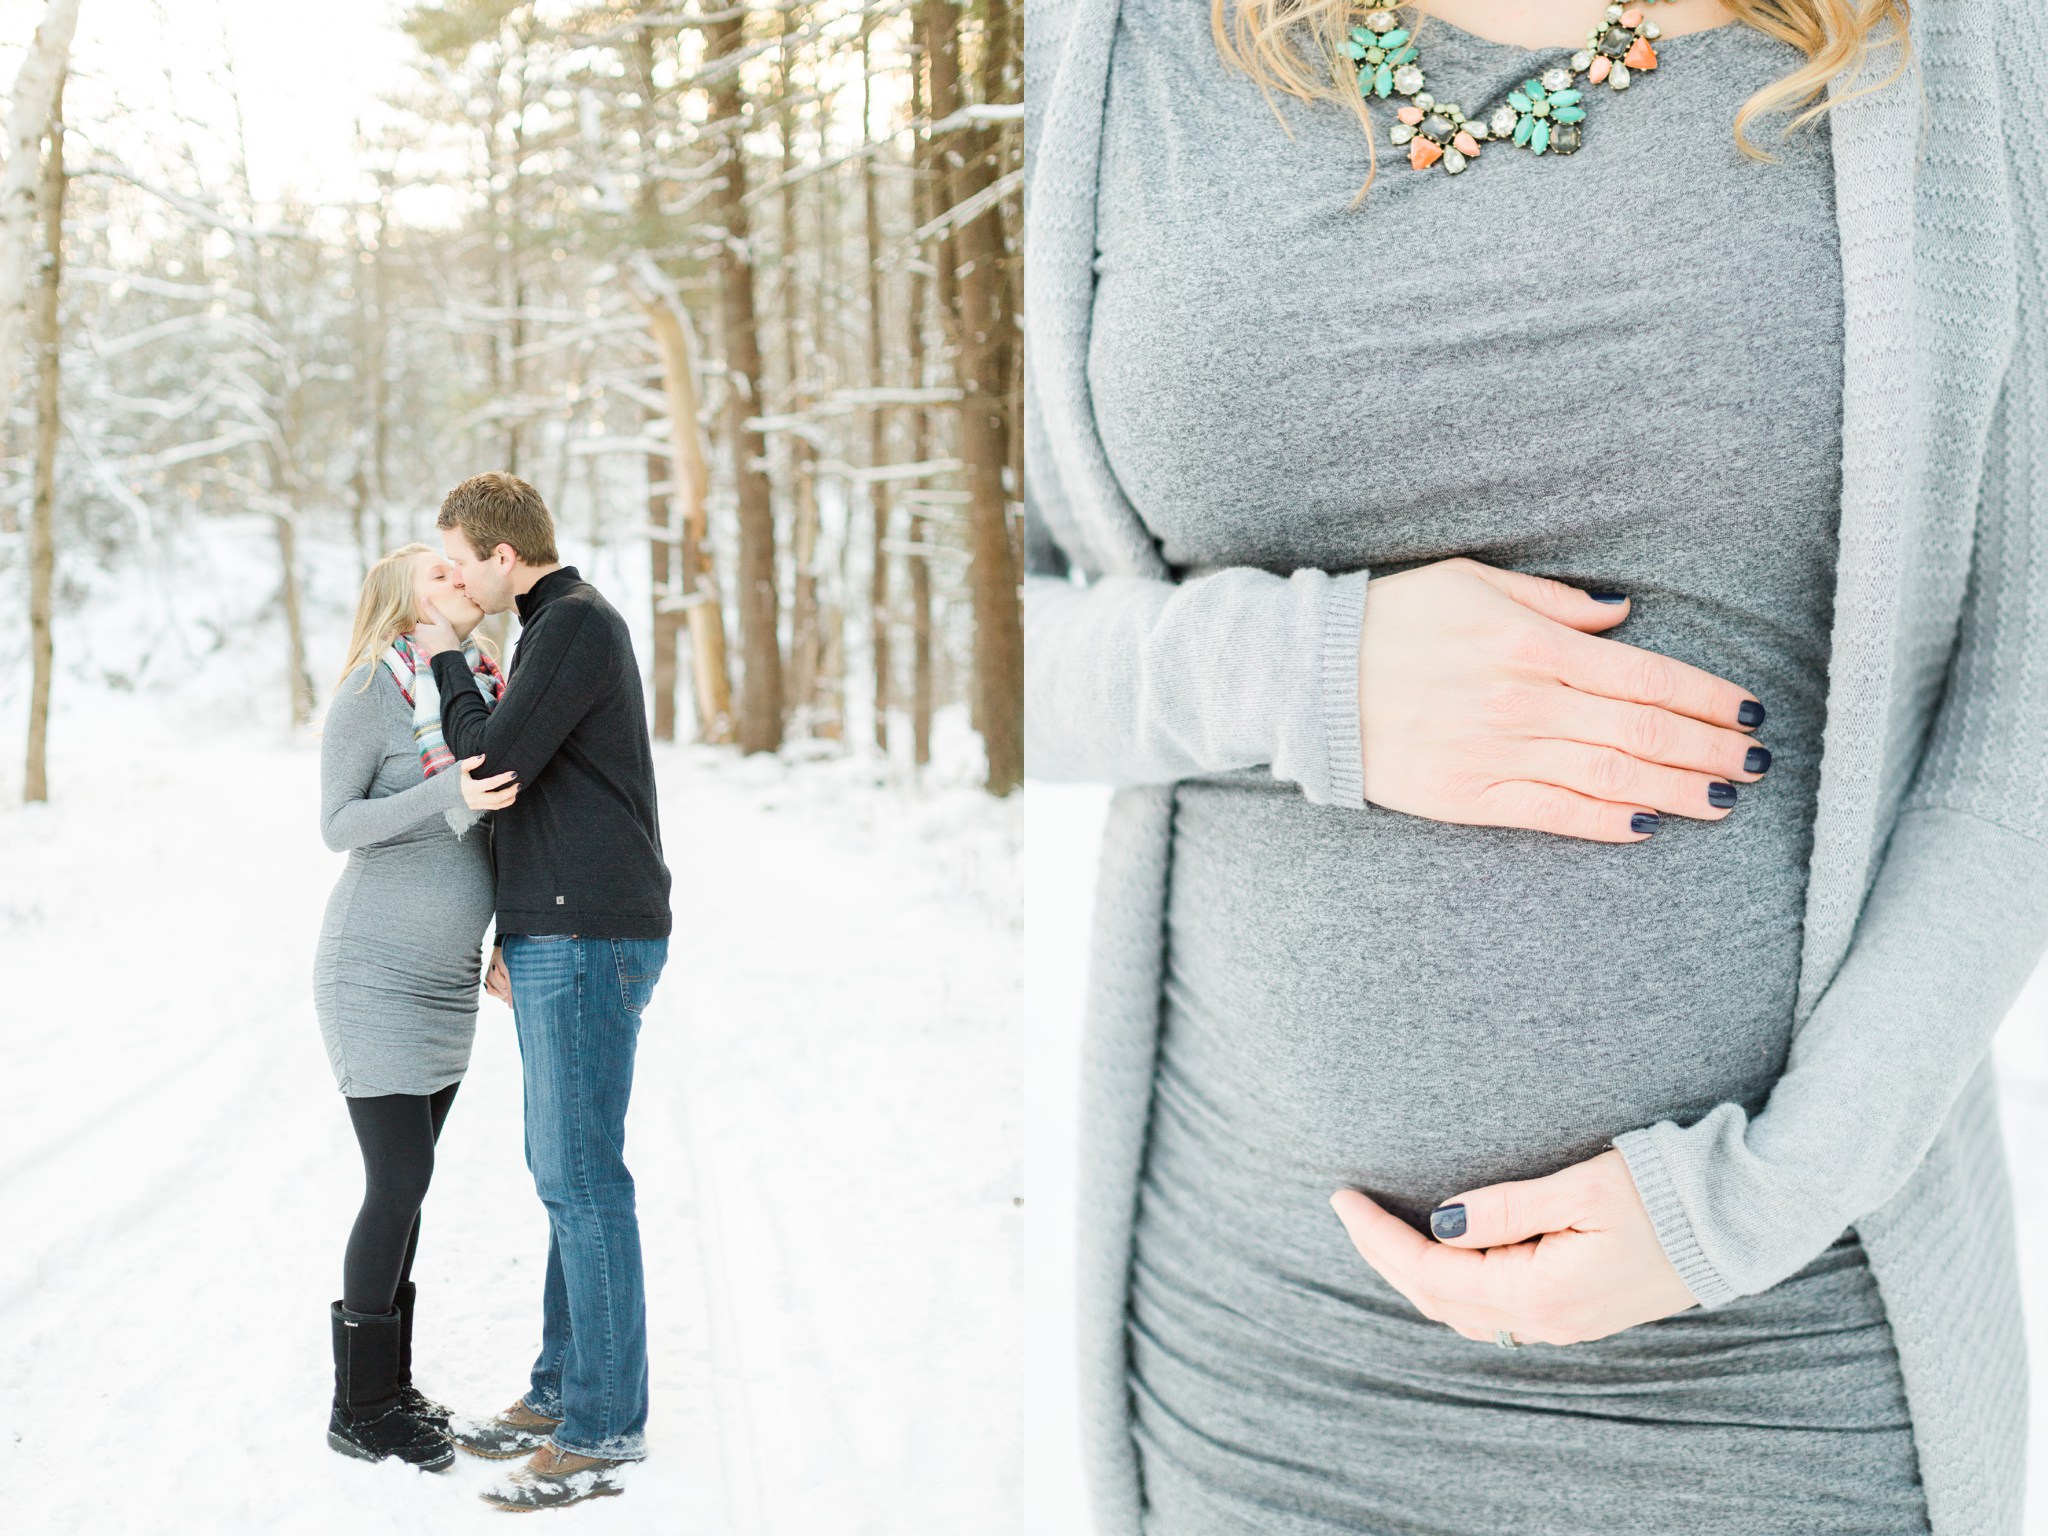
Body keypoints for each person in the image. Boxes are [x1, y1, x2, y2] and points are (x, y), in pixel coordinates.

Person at [1025, 0, 2048, 1530]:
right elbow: (999, 635)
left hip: (1776, 1371)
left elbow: (2020, 708)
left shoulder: (1963, 42)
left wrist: (1755, 1201)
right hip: (1257, 1367)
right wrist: (1307, 674)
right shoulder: (1103, 47)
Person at [412, 471, 673, 1512]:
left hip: (590, 929)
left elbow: (492, 763)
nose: (454, 580)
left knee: (582, 1179)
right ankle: (563, 1389)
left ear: (502, 558)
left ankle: (604, 1427)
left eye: (461, 563)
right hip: (563, 925)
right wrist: (515, 925)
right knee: (565, 1173)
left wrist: (439, 653)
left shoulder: (569, 626)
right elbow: (541, 791)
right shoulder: (557, 628)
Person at [315, 542, 515, 1471]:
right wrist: (448, 788)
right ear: (404, 607)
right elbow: (339, 823)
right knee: (394, 1181)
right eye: (438, 575)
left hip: (445, 984)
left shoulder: (485, 687)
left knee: (414, 1184)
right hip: (374, 974)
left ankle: (390, 1388)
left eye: (459, 569)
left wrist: (509, 928)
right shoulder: (372, 690)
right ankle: (358, 1408)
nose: (461, 580)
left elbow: (511, 832)